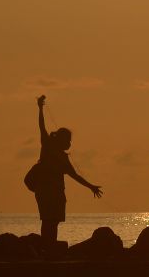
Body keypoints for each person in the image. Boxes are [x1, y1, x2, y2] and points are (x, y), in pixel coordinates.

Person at [30, 96, 102, 250]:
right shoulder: (48, 146)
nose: (70, 143)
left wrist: (91, 186)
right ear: (61, 139)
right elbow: (41, 126)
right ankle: (47, 247)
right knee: (49, 220)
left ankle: (48, 247)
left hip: (53, 192)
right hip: (47, 191)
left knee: (52, 220)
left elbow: (75, 175)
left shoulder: (61, 157)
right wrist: (40, 108)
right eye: (68, 140)